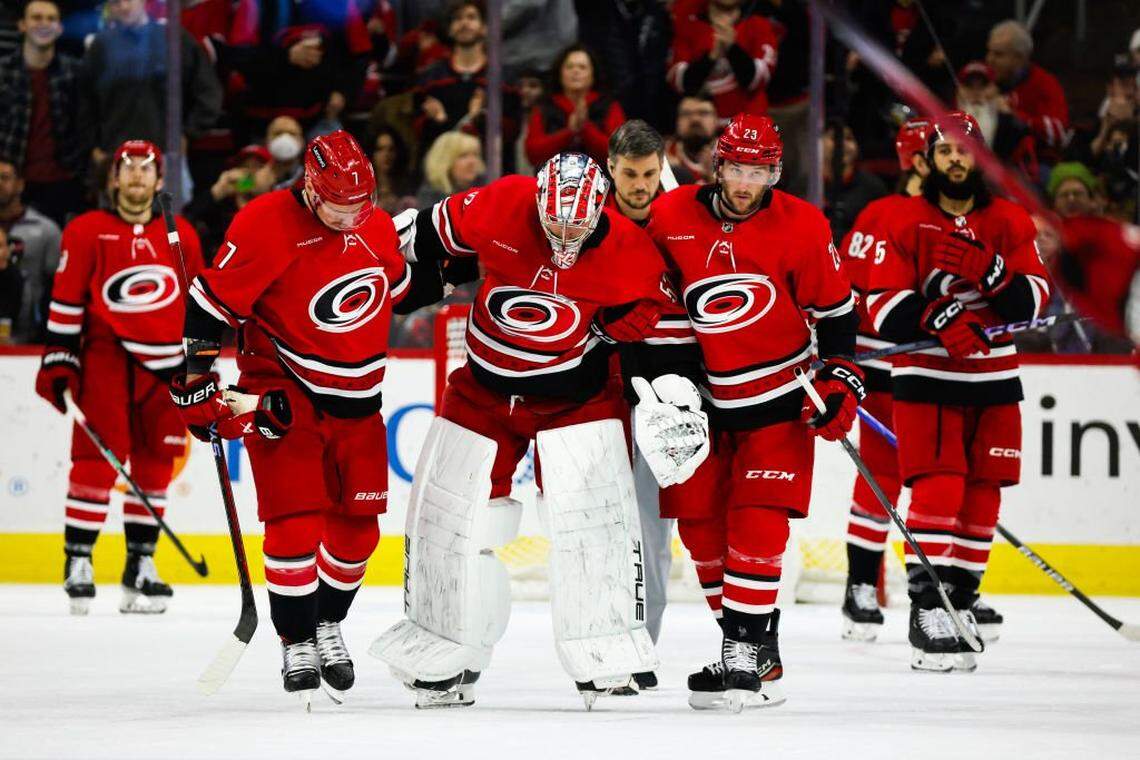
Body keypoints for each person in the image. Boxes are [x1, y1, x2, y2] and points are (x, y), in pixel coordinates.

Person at [371, 152, 703, 709]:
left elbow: (655, 303)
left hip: (577, 398)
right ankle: (445, 648)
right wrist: (421, 274)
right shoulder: (501, 202)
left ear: (602, 209)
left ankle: (604, 647)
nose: (564, 236)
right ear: (537, 205)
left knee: (594, 522)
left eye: (577, 224)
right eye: (554, 223)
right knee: (451, 518)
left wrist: (625, 336)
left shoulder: (630, 249)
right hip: (482, 389)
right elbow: (426, 233)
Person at [172, 131, 425, 705]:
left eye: (361, 205)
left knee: (359, 532)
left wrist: (450, 261)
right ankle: (296, 638)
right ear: (312, 190)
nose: (351, 216)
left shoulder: (375, 224)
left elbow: (399, 289)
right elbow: (210, 305)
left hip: (360, 399)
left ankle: (327, 623)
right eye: (339, 206)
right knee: (294, 522)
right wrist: (194, 383)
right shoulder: (264, 223)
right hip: (284, 391)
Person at [648, 114, 862, 710]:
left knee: (758, 520)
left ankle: (740, 650)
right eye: (737, 168)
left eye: (759, 171)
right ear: (718, 166)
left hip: (779, 394)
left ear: (775, 172)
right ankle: (754, 650)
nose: (745, 182)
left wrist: (842, 378)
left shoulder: (802, 224)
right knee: (699, 526)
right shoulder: (671, 217)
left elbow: (840, 315)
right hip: (698, 400)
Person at [865, 112, 1051, 672]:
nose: (955, 159)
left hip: (994, 379)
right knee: (939, 490)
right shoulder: (902, 219)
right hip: (927, 379)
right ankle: (928, 607)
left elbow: (1037, 302)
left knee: (983, 495)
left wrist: (994, 275)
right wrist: (938, 315)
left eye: (965, 150)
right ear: (929, 158)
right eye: (944, 150)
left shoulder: (1012, 221)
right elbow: (878, 304)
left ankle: (962, 602)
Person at [34, 140, 203, 616]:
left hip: (168, 365)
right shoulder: (87, 231)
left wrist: (199, 364)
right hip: (108, 359)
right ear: (113, 178)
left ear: (159, 179)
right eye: (126, 168)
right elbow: (66, 301)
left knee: (154, 465)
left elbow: (199, 306)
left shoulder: (181, 234)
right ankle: (79, 561)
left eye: (145, 169)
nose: (135, 177)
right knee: (95, 461)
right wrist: (60, 361)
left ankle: (140, 568)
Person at [836, 118, 930, 643]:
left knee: (944, 478)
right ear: (919, 162)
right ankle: (859, 586)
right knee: (883, 474)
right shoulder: (883, 214)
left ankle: (949, 588)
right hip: (884, 365)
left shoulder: (968, 220)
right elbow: (849, 289)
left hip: (941, 367)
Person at [604, 120, 683, 691]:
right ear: (611, 167)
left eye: (649, 174)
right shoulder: (585, 221)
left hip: (660, 403)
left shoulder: (682, 224)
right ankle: (600, 641)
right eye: (629, 174)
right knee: (596, 529)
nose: (639, 185)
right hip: (592, 399)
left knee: (652, 534)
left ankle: (638, 649)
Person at [77, 0, 222, 171]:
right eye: (116, 2)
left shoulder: (174, 38)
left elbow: (208, 91)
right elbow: (84, 102)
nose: (124, 7)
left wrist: (188, 133)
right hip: (115, 157)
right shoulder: (100, 46)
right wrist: (93, 148)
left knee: (169, 198)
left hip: (166, 155)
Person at [0, 0, 85, 226]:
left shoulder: (75, 72)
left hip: (63, 183)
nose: (44, 24)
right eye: (36, 18)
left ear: (60, 28)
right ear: (22, 25)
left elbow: (86, 125)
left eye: (51, 19)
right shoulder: (3, 71)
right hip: (12, 186)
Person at [416, 0, 520, 163]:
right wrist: (438, 122)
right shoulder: (430, 78)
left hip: (492, 170)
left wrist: (481, 119)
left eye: (471, 17)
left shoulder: (504, 77)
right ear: (449, 29)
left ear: (484, 27)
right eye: (457, 18)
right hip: (442, 172)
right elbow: (418, 132)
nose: (464, 23)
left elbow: (512, 132)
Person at [667, 0, 779, 123]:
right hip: (698, 128)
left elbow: (756, 81)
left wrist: (732, 48)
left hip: (748, 128)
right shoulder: (687, 26)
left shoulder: (759, 26)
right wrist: (712, 57)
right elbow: (682, 84)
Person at [524, 44, 625, 167]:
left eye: (582, 67)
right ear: (560, 73)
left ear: (593, 75)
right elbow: (533, 154)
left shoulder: (609, 106)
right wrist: (569, 133)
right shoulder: (544, 107)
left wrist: (585, 129)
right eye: (569, 67)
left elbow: (618, 154)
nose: (575, 71)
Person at [985, 19, 1069, 164]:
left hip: (1033, 163)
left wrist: (1013, 116)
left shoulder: (1044, 83)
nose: (989, 60)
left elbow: (1058, 132)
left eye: (998, 55)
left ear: (1019, 58)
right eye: (989, 52)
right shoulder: (982, 79)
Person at [0, 158, 61, 343]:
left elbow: (59, 285)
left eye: (5, 177)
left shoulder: (46, 230)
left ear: (20, 184)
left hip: (30, 337)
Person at [955, 61, 1037, 184]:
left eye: (983, 86)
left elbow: (1024, 146)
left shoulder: (1009, 121)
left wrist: (1010, 116)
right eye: (969, 86)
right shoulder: (945, 119)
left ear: (994, 89)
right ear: (959, 90)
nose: (976, 92)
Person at [822, 121, 887, 245]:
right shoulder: (807, 185)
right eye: (835, 138)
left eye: (849, 138)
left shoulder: (873, 188)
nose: (842, 145)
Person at [415, 130, 484, 207]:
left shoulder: (484, 190)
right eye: (463, 156)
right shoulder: (430, 196)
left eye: (475, 155)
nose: (472, 161)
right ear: (444, 161)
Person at [666, 92, 718, 185]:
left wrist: (712, 179)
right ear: (677, 121)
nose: (695, 119)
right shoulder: (663, 157)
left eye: (703, 113)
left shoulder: (732, 157)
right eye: (687, 113)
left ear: (716, 119)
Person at [370, 126, 416, 214]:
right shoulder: (363, 190)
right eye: (380, 149)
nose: (386, 154)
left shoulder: (408, 187)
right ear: (372, 153)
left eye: (391, 149)